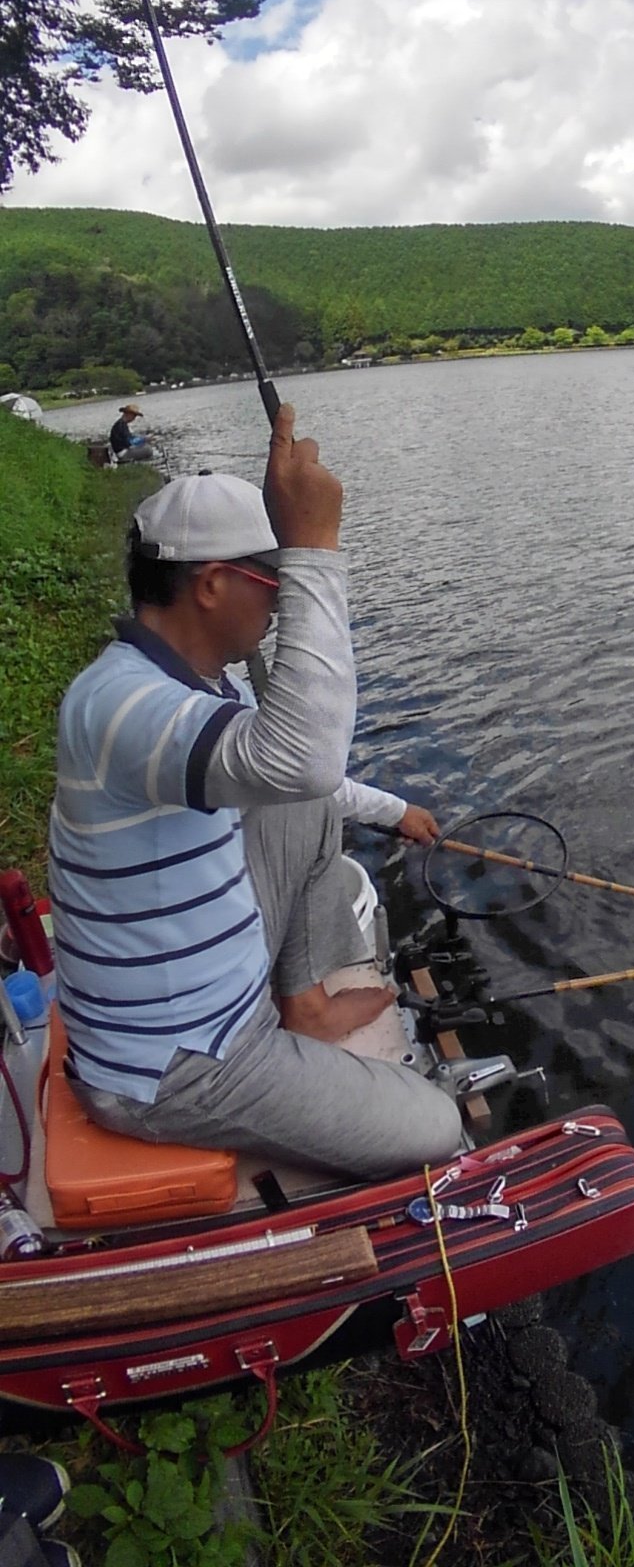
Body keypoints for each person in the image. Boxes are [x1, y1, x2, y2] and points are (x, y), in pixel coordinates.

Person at [48, 404, 464, 1178]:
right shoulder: (122, 706)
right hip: (177, 1066)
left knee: (302, 802)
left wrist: (394, 811)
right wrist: (314, 548)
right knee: (434, 1124)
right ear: (210, 585)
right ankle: (281, 1042)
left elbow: (306, 781)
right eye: (270, 580)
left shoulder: (198, 686)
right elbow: (301, 759)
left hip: (210, 1002)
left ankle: (300, 1006)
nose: (278, 601)